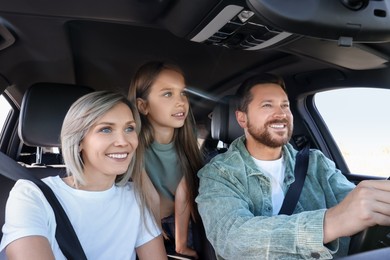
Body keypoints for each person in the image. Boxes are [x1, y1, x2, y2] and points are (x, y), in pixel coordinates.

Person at [196, 73, 390, 259]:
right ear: (242, 118)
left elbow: (352, 202)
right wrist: (329, 223)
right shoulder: (219, 174)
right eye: (267, 105)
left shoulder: (315, 163)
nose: (280, 114)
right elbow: (232, 238)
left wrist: (376, 204)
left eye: (285, 105)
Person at [0, 91, 167, 260]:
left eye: (129, 128)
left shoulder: (136, 198)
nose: (123, 141)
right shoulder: (31, 195)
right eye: (106, 129)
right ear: (79, 141)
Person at [128, 61, 203, 259]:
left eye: (183, 93)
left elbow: (184, 193)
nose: (181, 102)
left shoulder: (187, 145)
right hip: (147, 223)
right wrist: (156, 236)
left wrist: (181, 244)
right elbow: (148, 196)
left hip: (184, 223)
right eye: (168, 94)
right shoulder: (134, 146)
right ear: (143, 106)